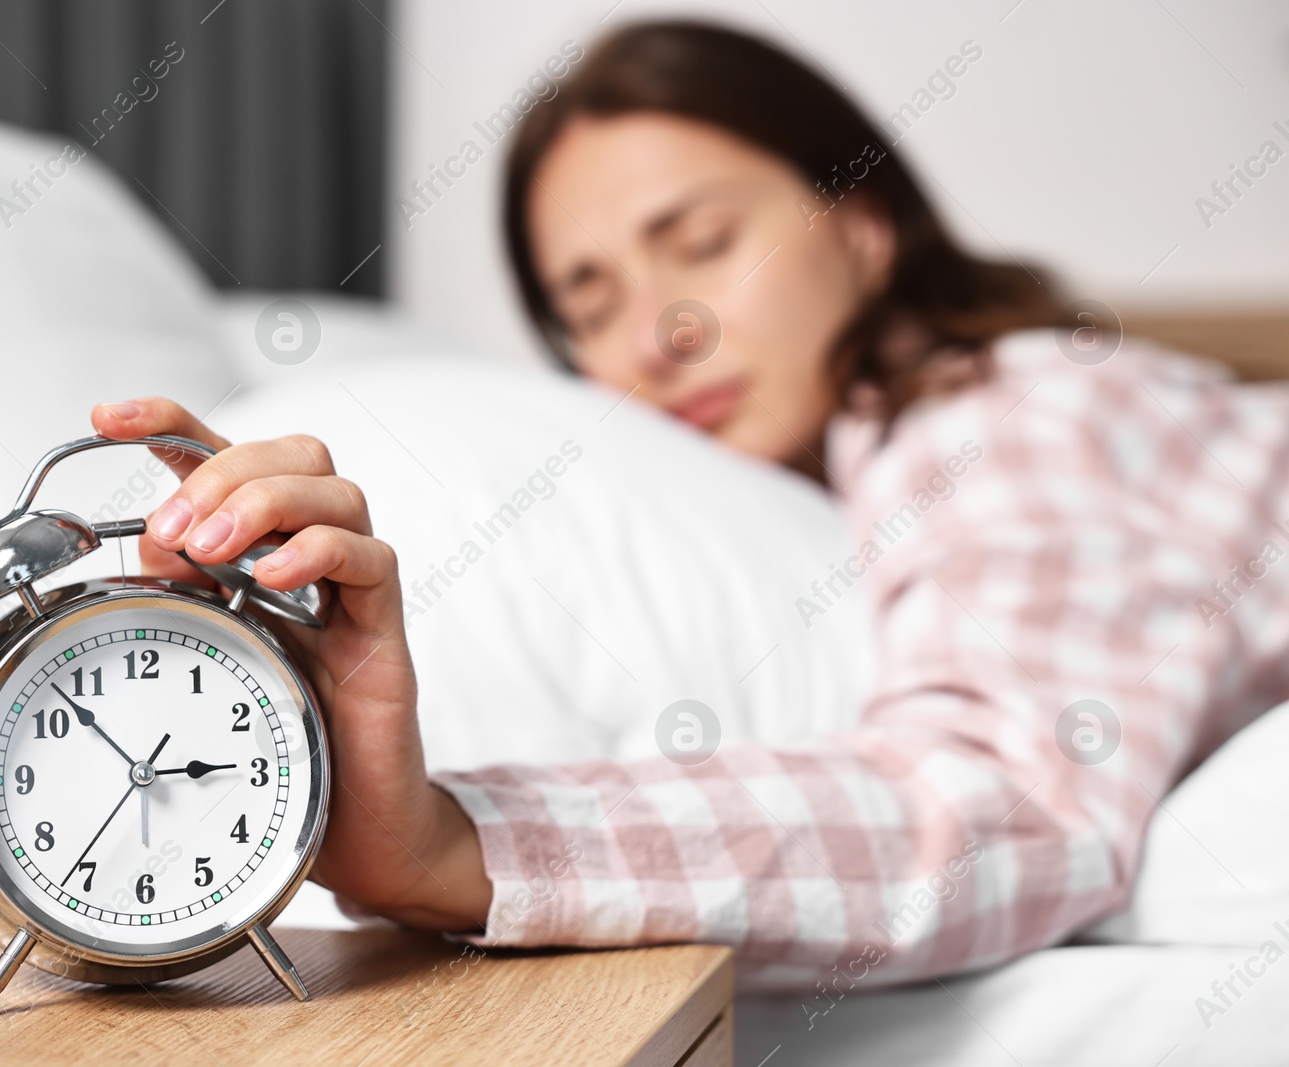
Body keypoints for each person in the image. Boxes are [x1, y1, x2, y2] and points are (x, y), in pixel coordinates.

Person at [89, 22, 1289, 990]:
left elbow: (1005, 803)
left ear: (864, 228)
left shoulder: (1010, 416)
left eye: (703, 240)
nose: (660, 332)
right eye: (591, 302)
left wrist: (462, 844)